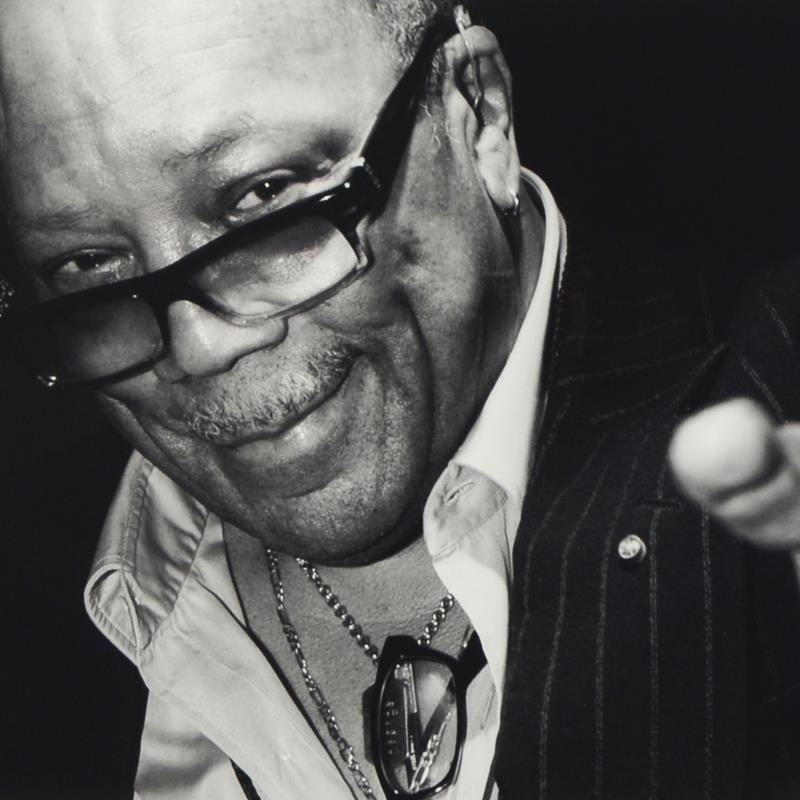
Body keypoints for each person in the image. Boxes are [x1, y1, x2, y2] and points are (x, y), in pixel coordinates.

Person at [1, 1, 799, 798]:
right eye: (86, 265)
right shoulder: (27, 608)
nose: (199, 348)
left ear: (478, 114)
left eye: (262, 194)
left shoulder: (776, 388)